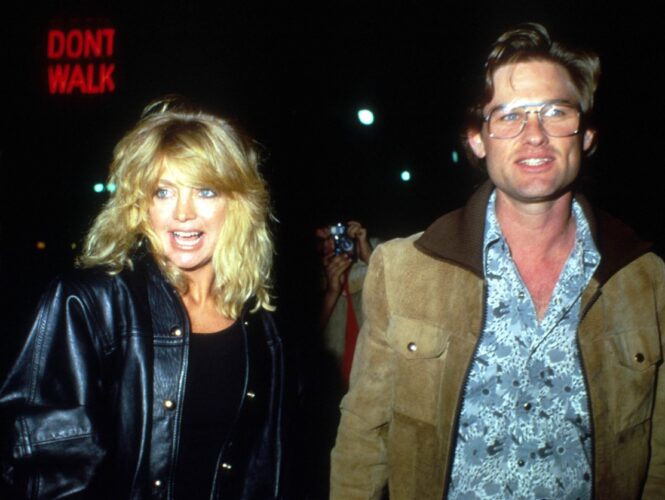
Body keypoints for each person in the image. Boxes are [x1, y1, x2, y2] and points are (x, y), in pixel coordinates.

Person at [330, 23, 664, 499]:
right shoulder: (403, 270)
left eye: (555, 112)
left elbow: (659, 455)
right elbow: (364, 438)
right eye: (508, 116)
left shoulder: (647, 280)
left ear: (586, 135)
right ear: (478, 140)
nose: (534, 135)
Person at [0, 97, 287, 499]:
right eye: (163, 192)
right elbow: (48, 469)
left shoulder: (258, 318)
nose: (183, 212)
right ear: (140, 204)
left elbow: (265, 467)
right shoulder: (87, 302)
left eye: (205, 191)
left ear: (238, 203)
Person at [316, 221, 374, 386]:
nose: (328, 245)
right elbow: (301, 340)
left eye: (334, 237)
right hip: (332, 385)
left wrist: (371, 259)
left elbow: (406, 301)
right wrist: (332, 293)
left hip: (373, 381)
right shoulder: (303, 277)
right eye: (320, 241)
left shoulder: (373, 255)